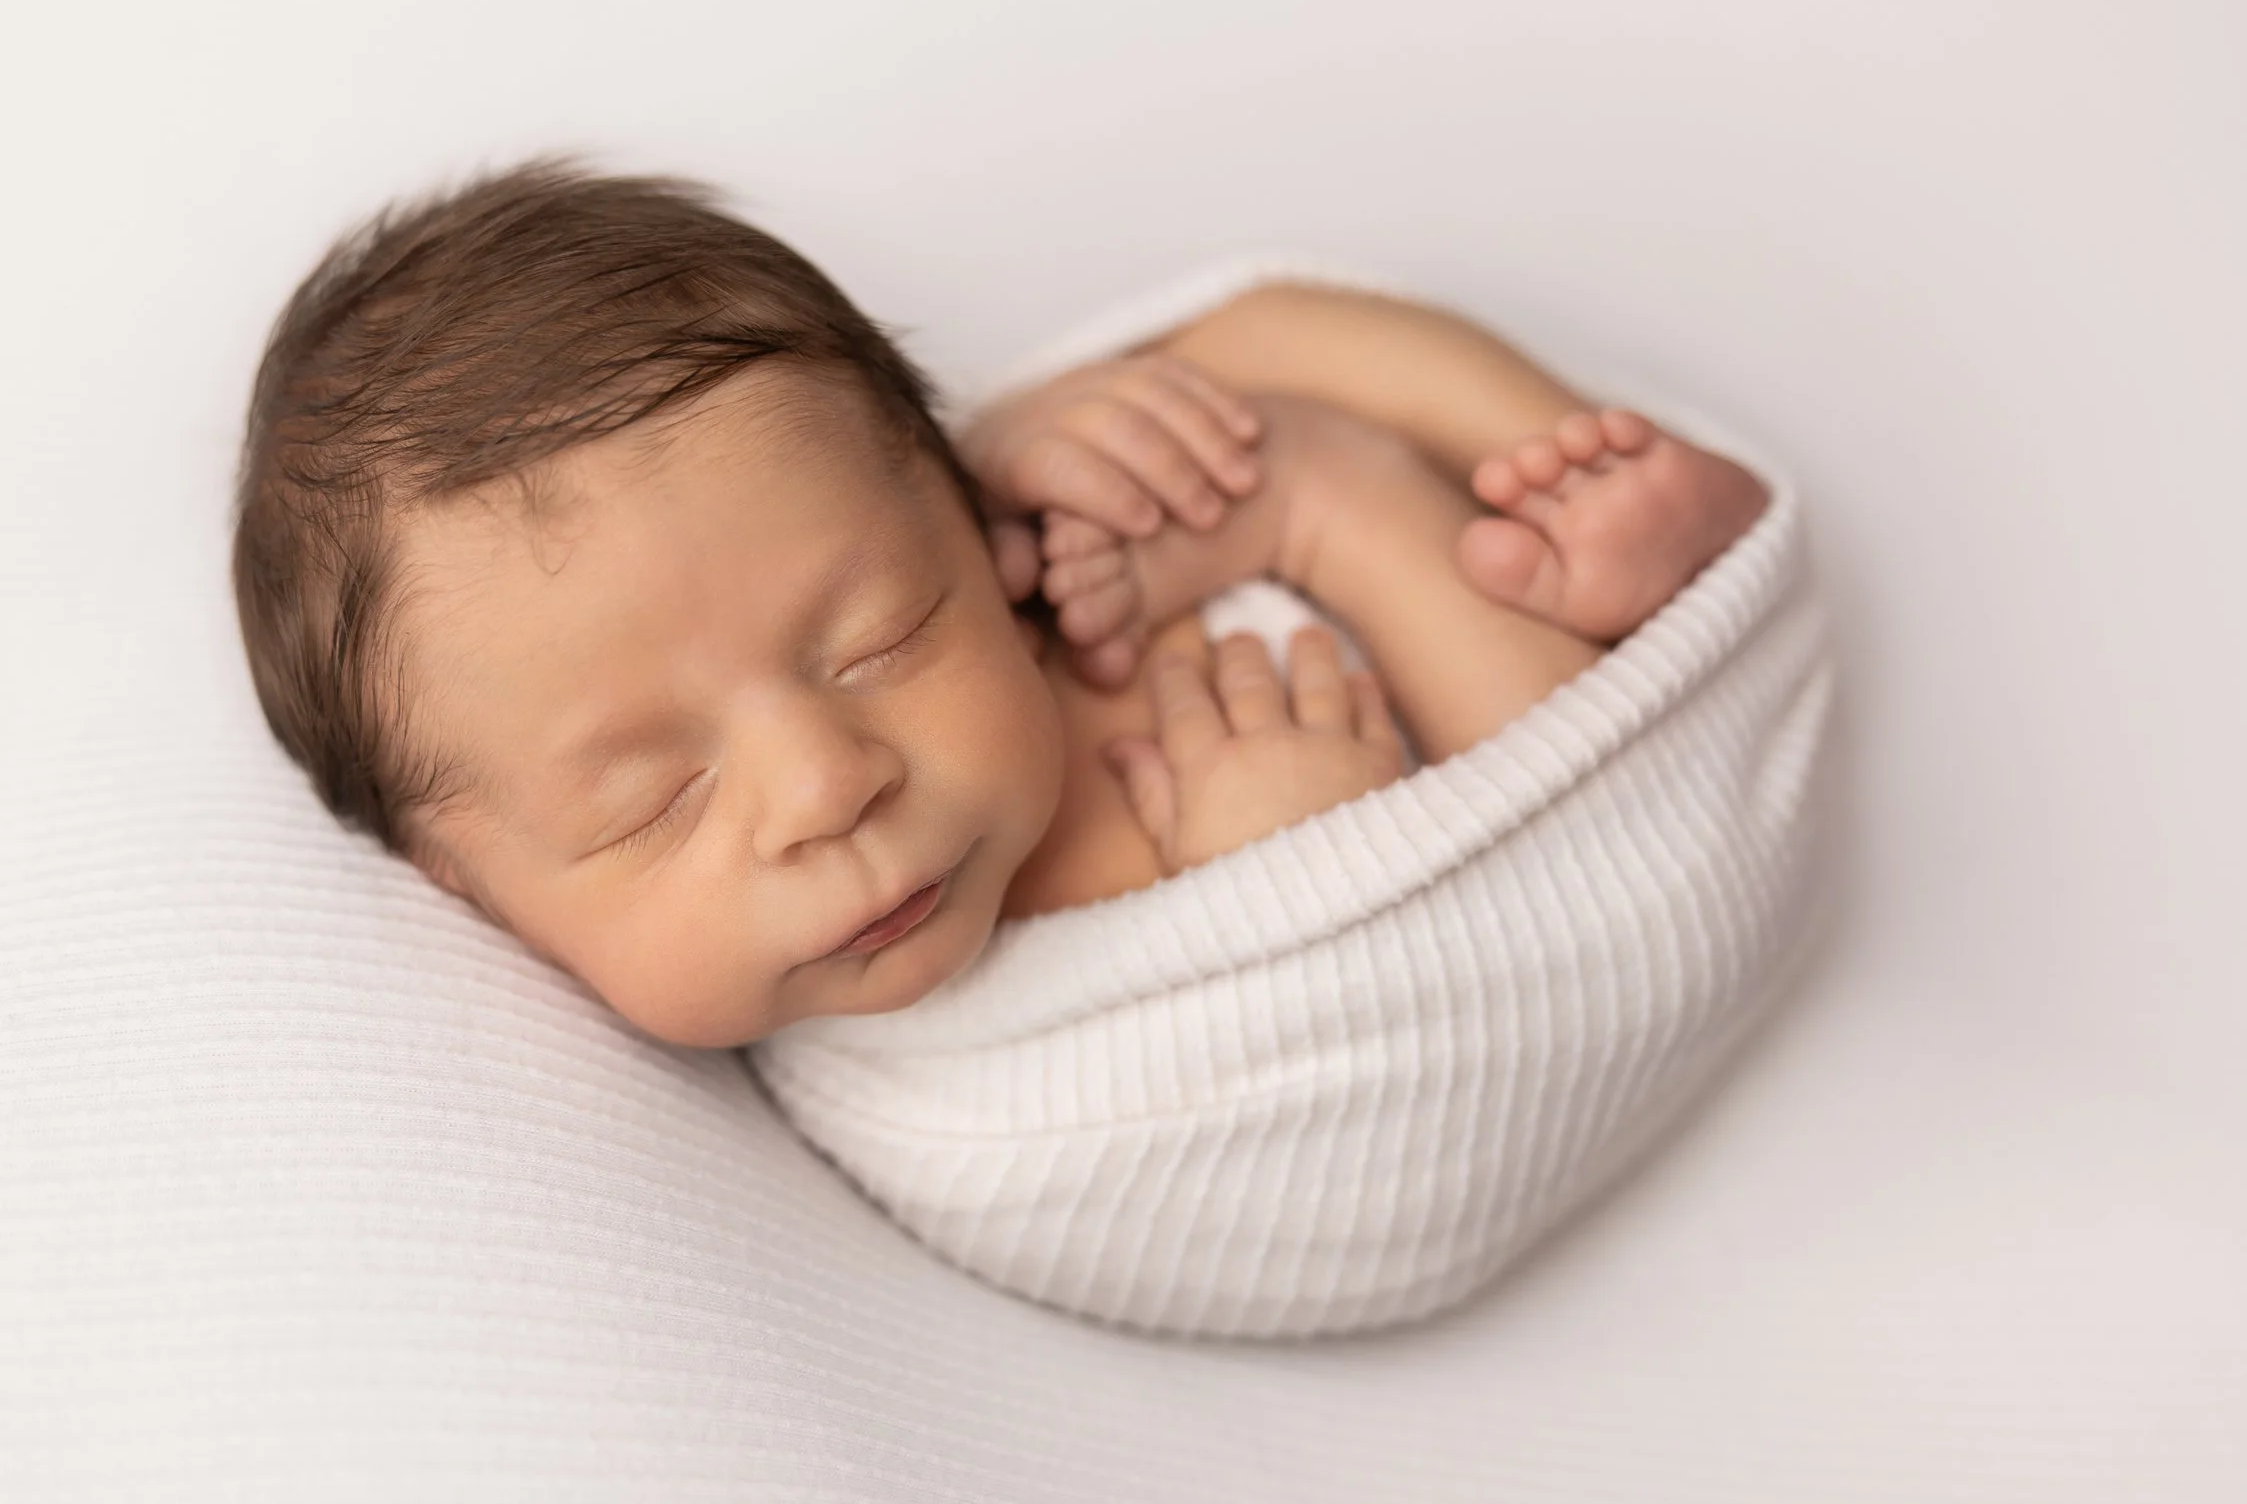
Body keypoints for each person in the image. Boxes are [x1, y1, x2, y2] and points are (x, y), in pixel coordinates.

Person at [232, 161, 1767, 1049]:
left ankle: (1575, 474)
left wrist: (1041, 445)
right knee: (1541, 730)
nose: (828, 783)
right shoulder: (959, 1073)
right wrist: (1295, 874)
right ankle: (1404, 515)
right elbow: (1530, 989)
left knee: (1250, 340)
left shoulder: (973, 527)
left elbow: (973, 472)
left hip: (1174, 542)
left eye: (882, 634)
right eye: (655, 797)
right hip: (1521, 755)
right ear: (470, 884)